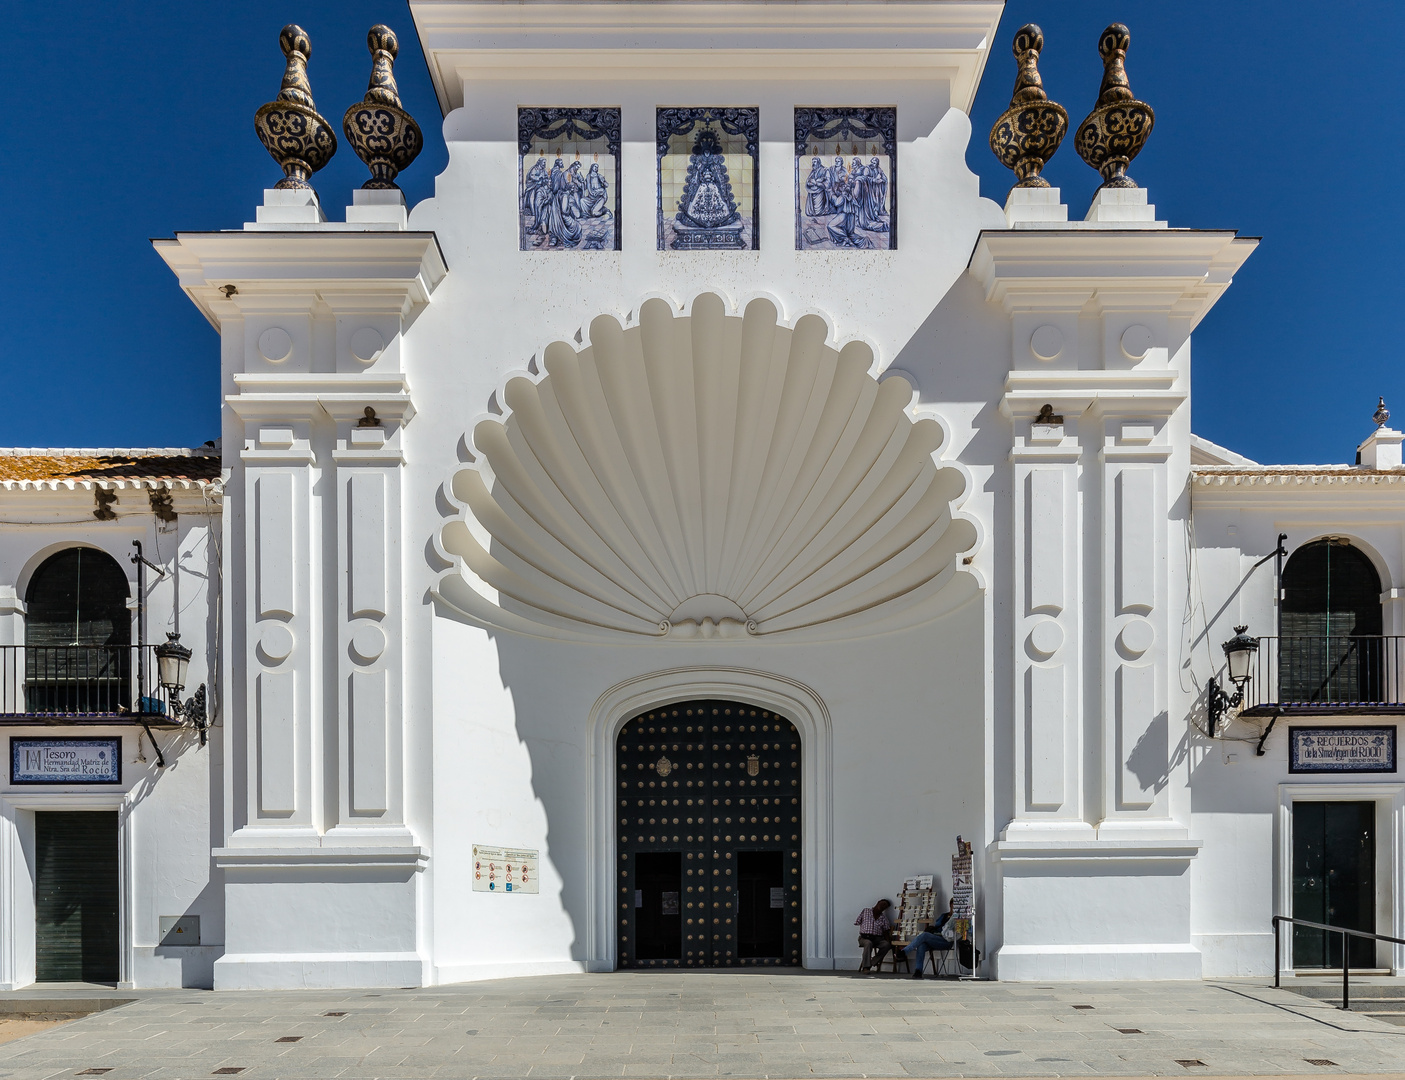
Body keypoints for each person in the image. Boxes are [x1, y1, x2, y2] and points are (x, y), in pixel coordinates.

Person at [902, 897, 955, 978]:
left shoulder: (957, 918)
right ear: (950, 905)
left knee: (925, 935)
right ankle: (918, 970)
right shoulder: (944, 915)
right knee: (921, 945)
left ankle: (904, 952)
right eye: (952, 904)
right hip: (936, 937)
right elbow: (937, 925)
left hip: (946, 940)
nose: (954, 906)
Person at [854, 898, 896, 972]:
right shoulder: (866, 911)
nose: (883, 906)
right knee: (868, 943)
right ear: (878, 902)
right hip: (864, 937)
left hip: (877, 939)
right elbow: (858, 922)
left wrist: (889, 941)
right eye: (882, 904)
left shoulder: (883, 918)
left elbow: (886, 931)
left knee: (886, 945)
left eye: (885, 906)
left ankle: (873, 962)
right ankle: (866, 967)